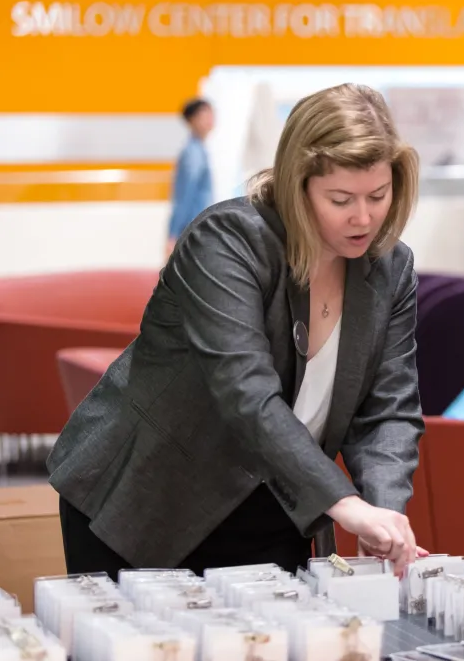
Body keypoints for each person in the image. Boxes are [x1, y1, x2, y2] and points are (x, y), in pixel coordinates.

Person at [47, 83, 426, 579]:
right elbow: (246, 392)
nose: (364, 217)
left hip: (280, 501)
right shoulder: (226, 242)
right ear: (298, 185)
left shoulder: (390, 268)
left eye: (378, 195)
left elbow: (388, 408)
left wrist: (385, 511)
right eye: (340, 199)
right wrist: (344, 501)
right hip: (148, 496)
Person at [167, 98, 216, 256]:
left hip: (197, 227)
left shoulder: (200, 150)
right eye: (204, 114)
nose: (210, 118)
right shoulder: (193, 153)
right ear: (192, 119)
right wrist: (173, 233)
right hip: (193, 228)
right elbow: (184, 196)